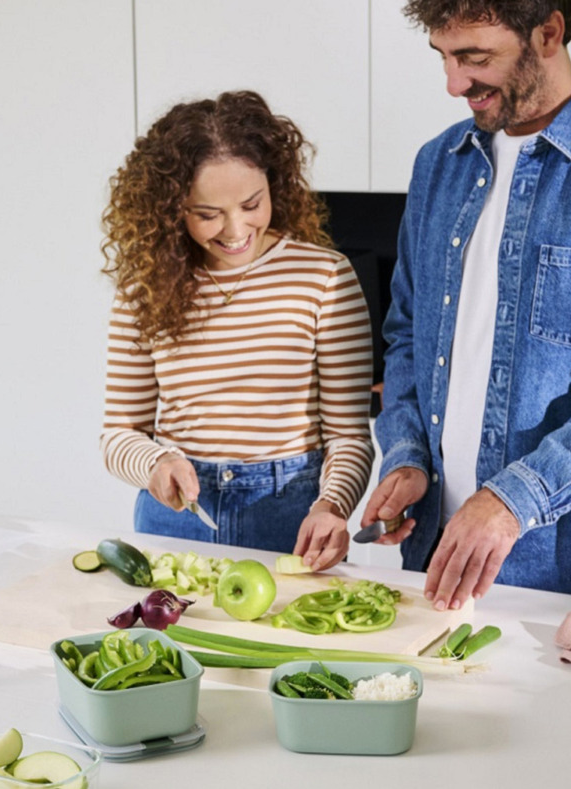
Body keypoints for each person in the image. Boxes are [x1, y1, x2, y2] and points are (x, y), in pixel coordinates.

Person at [100, 90, 374, 572]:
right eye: (207, 214)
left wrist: (332, 506)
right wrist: (155, 464)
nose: (235, 230)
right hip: (177, 516)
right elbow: (119, 433)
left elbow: (348, 435)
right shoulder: (145, 286)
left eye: (251, 204)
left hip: (292, 514)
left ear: (274, 185)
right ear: (172, 209)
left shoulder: (324, 276)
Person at [361, 0, 571, 605]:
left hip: (551, 573)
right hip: (431, 551)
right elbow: (407, 333)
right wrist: (407, 457)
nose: (454, 85)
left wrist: (512, 499)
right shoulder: (438, 164)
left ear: (549, 33)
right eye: (445, 58)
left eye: (475, 58)